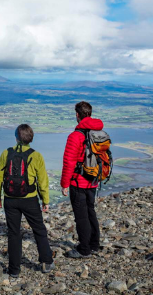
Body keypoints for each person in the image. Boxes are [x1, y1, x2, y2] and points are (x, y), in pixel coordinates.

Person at [0, 124, 54, 277]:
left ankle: (14, 270)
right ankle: (46, 262)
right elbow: (42, 181)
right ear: (30, 138)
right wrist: (45, 200)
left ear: (16, 138)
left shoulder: (6, 153)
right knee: (39, 229)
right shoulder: (36, 156)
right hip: (29, 199)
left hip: (10, 199)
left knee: (14, 233)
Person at [61, 101, 103, 258]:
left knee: (81, 216)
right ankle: (94, 244)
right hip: (93, 180)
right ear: (90, 114)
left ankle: (84, 249)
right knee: (90, 211)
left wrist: (64, 184)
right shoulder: (98, 133)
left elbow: (69, 162)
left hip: (78, 182)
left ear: (77, 115)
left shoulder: (75, 136)